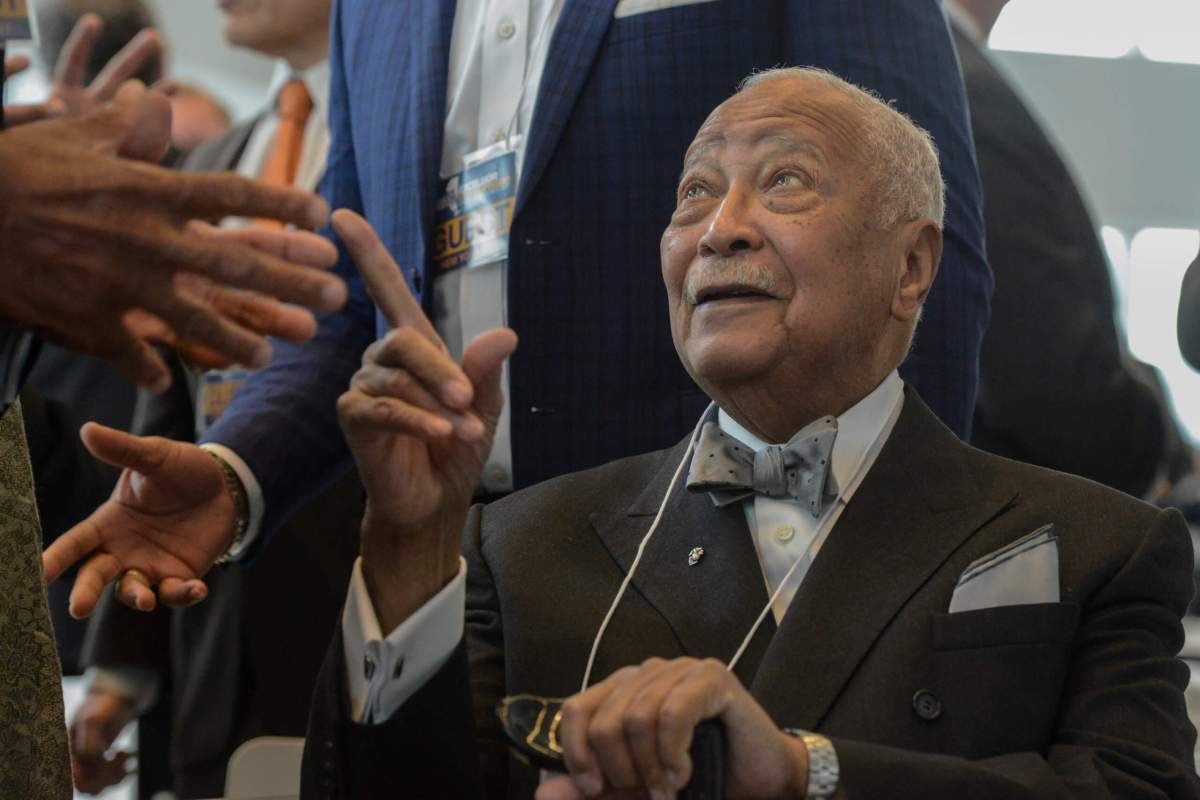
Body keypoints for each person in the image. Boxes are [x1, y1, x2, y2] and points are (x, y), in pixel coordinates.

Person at [301, 68, 1197, 798]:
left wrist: (807, 773)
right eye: (694, 193)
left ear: (912, 266)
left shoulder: (1096, 546)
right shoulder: (518, 543)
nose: (719, 231)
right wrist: (409, 544)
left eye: (785, 181)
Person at [45, 0, 992, 641]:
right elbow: (347, 309)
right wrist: (234, 471)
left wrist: (885, 576)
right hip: (439, 573)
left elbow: (912, 242)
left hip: (742, 566)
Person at [0, 13, 346, 798]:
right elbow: (162, 420)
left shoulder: (405, 143)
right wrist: (126, 666)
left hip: (344, 613)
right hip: (209, 642)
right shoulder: (221, 160)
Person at [946, 0, 1181, 499]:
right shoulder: (962, 91)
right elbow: (1045, 374)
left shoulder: (943, 72)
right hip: (1025, 527)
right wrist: (1154, 451)